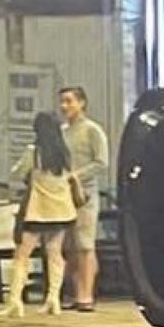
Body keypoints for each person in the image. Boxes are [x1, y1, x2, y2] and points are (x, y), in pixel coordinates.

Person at [0, 111, 78, 318]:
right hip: (61, 211)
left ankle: (15, 301)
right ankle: (53, 299)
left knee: (21, 256)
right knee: (55, 255)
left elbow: (17, 172)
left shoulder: (33, 152)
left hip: (37, 212)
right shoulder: (64, 154)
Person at [59, 87, 109, 312]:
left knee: (85, 245)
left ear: (82, 103)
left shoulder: (92, 130)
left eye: (69, 101)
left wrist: (77, 176)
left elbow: (101, 162)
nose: (64, 106)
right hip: (63, 196)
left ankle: (86, 295)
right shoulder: (61, 132)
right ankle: (74, 292)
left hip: (85, 196)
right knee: (69, 246)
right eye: (62, 102)